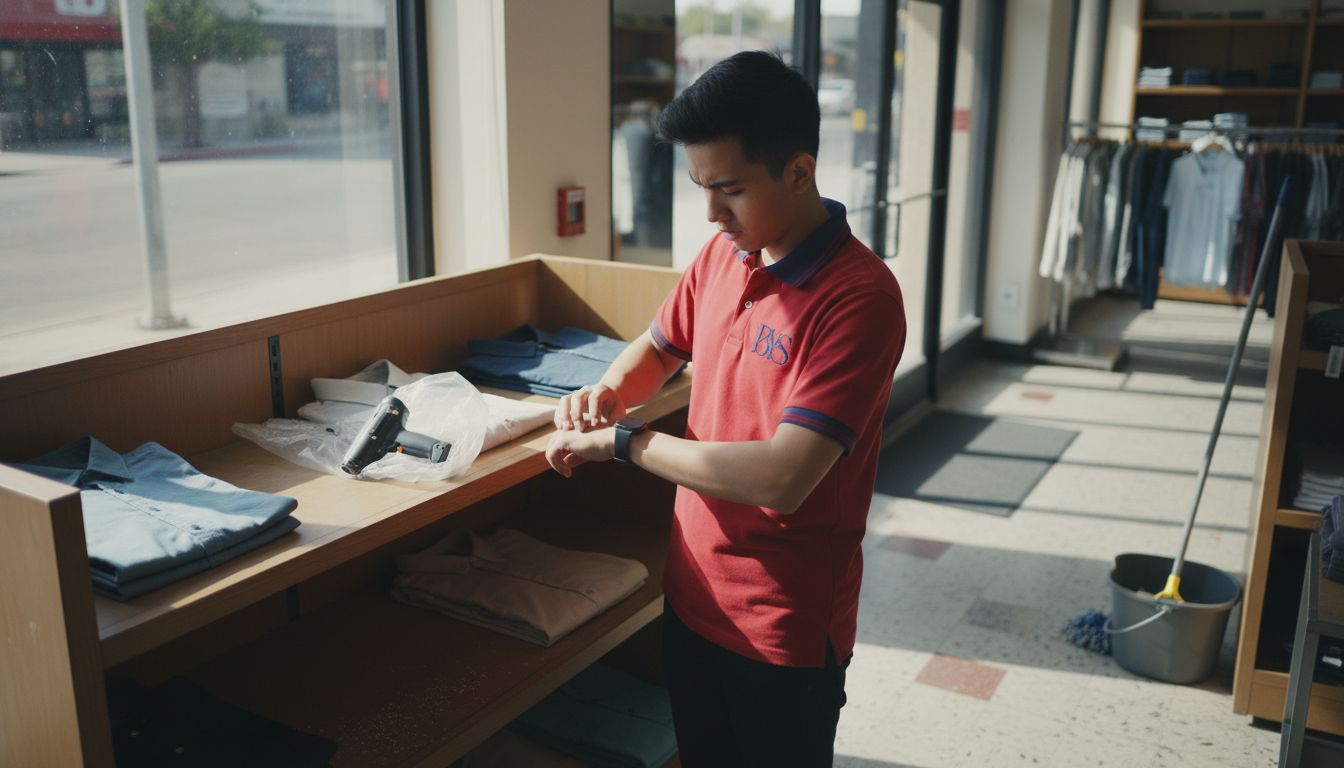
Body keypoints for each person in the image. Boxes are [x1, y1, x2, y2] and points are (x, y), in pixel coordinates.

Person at [545, 50, 905, 767]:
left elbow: (783, 477)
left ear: (799, 171)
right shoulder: (723, 255)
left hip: (784, 625)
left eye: (730, 190)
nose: (711, 213)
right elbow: (656, 349)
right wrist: (608, 394)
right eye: (700, 188)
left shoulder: (860, 298)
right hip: (691, 591)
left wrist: (626, 443)